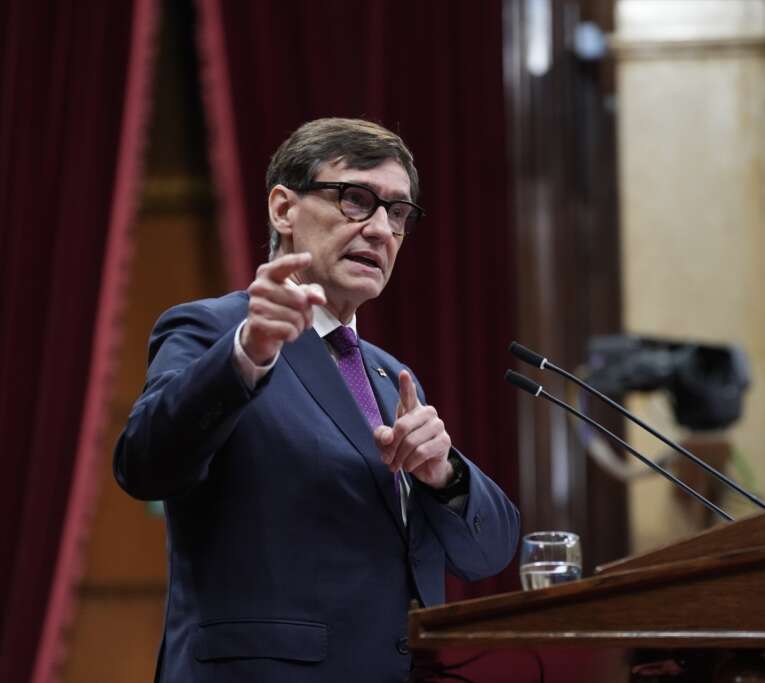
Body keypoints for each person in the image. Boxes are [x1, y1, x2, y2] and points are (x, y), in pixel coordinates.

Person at [114, 118, 520, 682]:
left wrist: (444, 473)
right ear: (283, 209)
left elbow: (489, 553)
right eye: (356, 200)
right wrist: (245, 355)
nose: (381, 230)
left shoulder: (390, 375)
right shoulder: (214, 331)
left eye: (398, 213)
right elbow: (145, 464)